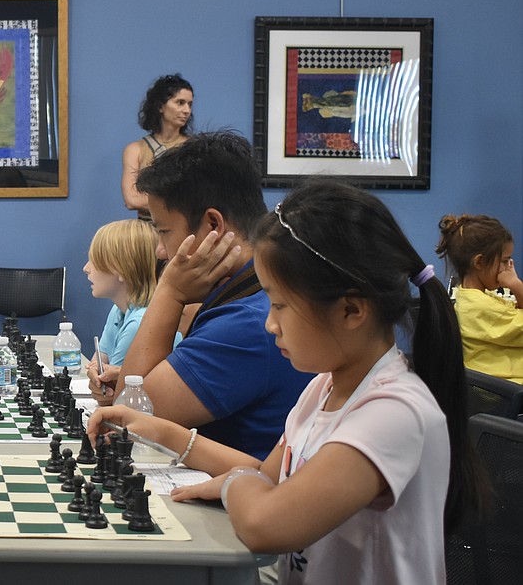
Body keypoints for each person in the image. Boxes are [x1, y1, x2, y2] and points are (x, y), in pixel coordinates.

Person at [89, 179, 480, 585]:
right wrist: (160, 432)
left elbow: (264, 525)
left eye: (279, 305)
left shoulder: (393, 412)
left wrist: (236, 485)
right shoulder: (325, 387)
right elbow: (269, 473)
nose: (269, 323)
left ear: (350, 309)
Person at [92, 132, 313, 460]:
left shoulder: (248, 323)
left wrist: (169, 290)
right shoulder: (250, 292)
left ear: (213, 224)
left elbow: (130, 418)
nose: (160, 250)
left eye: (164, 231)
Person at [436, 213, 523, 383]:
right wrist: (516, 284)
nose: (508, 268)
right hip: (509, 391)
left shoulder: (472, 297)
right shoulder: (480, 307)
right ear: (479, 262)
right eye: (505, 261)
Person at [81, 219, 160, 369]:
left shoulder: (139, 324)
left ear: (122, 269)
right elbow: (96, 370)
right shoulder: (119, 310)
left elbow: (110, 388)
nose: (86, 268)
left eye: (94, 260)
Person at [121, 73, 194, 219]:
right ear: (161, 106)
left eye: (189, 104)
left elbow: (197, 200)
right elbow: (132, 200)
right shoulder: (135, 150)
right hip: (146, 232)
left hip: (183, 234)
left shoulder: (195, 148)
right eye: (180, 102)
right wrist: (178, 204)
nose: (186, 110)